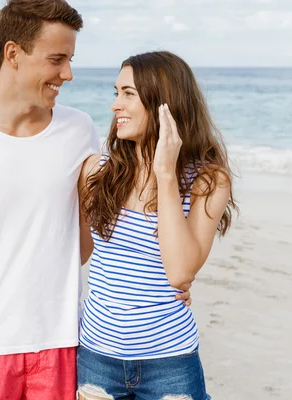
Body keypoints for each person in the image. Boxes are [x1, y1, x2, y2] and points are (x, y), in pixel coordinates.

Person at [0, 0, 191, 397]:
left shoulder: (79, 130)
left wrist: (157, 282)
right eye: (57, 59)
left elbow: (107, 225)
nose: (68, 74)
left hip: (63, 344)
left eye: (70, 59)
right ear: (13, 55)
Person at [76, 51, 237, 400]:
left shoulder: (207, 180)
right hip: (96, 356)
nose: (115, 105)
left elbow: (180, 272)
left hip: (169, 362)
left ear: (164, 103)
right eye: (116, 92)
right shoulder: (95, 171)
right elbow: (77, 251)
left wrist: (165, 174)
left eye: (128, 94)